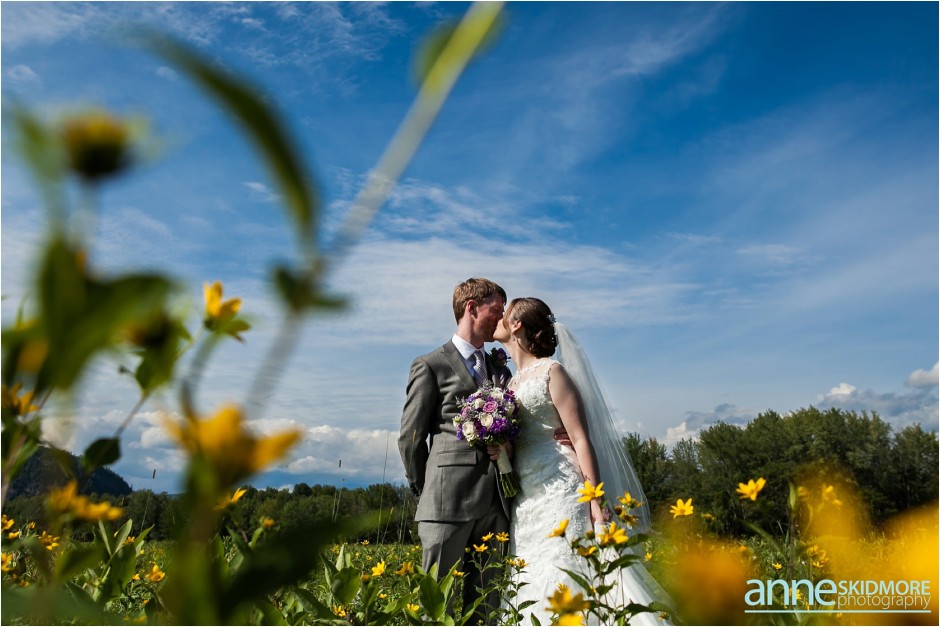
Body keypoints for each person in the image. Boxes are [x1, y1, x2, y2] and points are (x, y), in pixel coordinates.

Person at [493, 297, 666, 626]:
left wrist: (595, 496)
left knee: (566, 565)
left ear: (516, 325)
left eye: (505, 313)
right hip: (527, 494)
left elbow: (581, 437)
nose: (499, 319)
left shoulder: (551, 372)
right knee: (530, 571)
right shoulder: (511, 383)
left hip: (562, 486)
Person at [398, 277, 513, 621]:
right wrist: (425, 489)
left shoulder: (499, 369)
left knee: (487, 605)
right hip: (444, 501)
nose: (502, 318)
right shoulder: (430, 364)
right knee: (438, 605)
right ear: (471, 308)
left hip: (496, 502)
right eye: (497, 309)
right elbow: (411, 438)